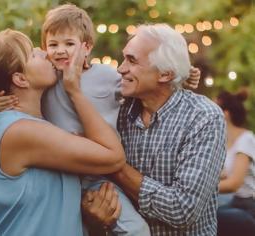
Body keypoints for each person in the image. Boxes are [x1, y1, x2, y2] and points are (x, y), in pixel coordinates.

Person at [0, 4, 201, 236]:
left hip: (99, 176)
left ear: (87, 47)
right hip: (62, 174)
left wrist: (182, 76)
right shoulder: (48, 80)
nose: (60, 51)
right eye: (52, 45)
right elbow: (13, 85)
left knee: (137, 229)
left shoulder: (107, 76)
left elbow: (144, 83)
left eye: (69, 44)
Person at [0, 29, 126, 236]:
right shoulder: (19, 131)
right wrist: (74, 90)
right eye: (32, 54)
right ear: (20, 79)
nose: (43, 52)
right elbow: (113, 157)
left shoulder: (19, 124)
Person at [81, 23, 227, 236]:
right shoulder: (117, 111)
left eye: (132, 60)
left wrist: (112, 162)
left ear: (165, 74)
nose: (121, 68)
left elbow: (182, 209)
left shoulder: (204, 117)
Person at [216, 90, 255, 236]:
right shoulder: (227, 142)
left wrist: (202, 188)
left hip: (247, 206)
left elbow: (234, 183)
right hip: (233, 201)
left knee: (206, 216)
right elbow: (224, 174)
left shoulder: (246, 139)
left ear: (225, 114)